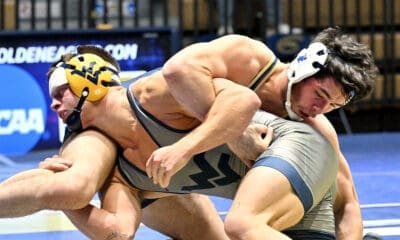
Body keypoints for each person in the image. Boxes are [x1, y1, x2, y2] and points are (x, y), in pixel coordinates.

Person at [42, 45, 339, 239]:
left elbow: (236, 96)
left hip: (288, 156)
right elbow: (117, 232)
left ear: (90, 83)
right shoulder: (120, 173)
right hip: (273, 192)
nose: (54, 106)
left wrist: (189, 147)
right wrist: (62, 198)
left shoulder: (157, 94)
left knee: (242, 225)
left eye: (60, 93)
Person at [156, 26, 379, 240]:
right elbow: (178, 70)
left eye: (332, 105)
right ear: (304, 65)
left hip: (184, 174)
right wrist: (232, 133)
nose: (318, 109)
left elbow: (347, 203)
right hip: (154, 148)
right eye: (320, 94)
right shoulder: (250, 61)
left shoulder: (316, 129)